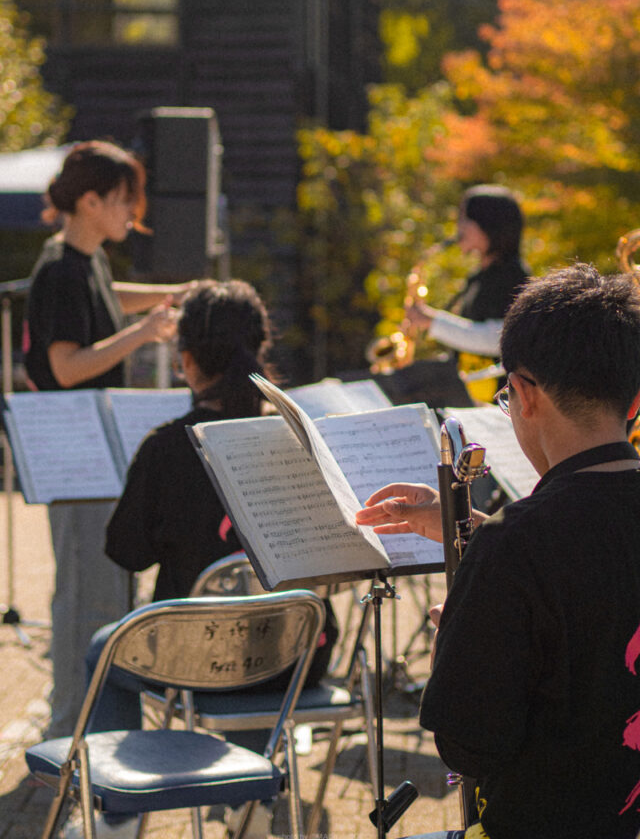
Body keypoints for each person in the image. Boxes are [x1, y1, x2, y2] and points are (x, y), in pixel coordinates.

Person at [357, 263, 640, 839]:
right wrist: (473, 525)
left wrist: (450, 643)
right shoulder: (513, 540)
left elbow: (467, 743)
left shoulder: (517, 544)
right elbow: (600, 557)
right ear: (633, 401)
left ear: (526, 394)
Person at [75, 279, 338, 839]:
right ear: (259, 350)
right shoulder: (298, 438)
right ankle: (255, 789)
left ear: (187, 360)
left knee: (107, 650)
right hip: (296, 652)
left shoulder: (168, 447)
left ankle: (118, 817)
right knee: (251, 638)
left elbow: (124, 551)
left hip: (192, 660)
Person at [23, 139, 192, 741]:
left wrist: (175, 296)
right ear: (90, 201)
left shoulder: (83, 259)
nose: (131, 214)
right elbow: (66, 366)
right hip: (72, 452)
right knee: (83, 597)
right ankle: (68, 735)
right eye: (123, 201)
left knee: (96, 587)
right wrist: (144, 333)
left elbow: (106, 299)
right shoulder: (57, 271)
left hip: (92, 448)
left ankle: (82, 723)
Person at [404, 186, 528, 397]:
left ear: (489, 225)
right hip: (471, 392)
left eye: (465, 219)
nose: (458, 227)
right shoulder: (479, 276)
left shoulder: (513, 276)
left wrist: (432, 321)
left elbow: (498, 339)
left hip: (495, 402)